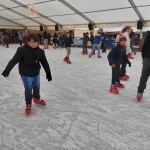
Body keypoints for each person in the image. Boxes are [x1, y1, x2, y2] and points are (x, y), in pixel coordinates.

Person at [1, 34, 52, 115]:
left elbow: (45, 63)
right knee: (28, 88)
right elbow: (14, 60)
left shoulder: (40, 51)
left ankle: (36, 98)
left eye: (36, 42)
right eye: (32, 42)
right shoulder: (22, 50)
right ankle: (28, 103)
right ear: (28, 41)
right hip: (25, 73)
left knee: (37, 86)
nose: (34, 44)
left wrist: (48, 73)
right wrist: (7, 70)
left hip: (36, 72)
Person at [137, 34, 150, 102]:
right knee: (144, 77)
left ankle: (139, 93)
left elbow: (144, 46)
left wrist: (143, 57)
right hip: (147, 58)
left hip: (147, 58)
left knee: (144, 77)